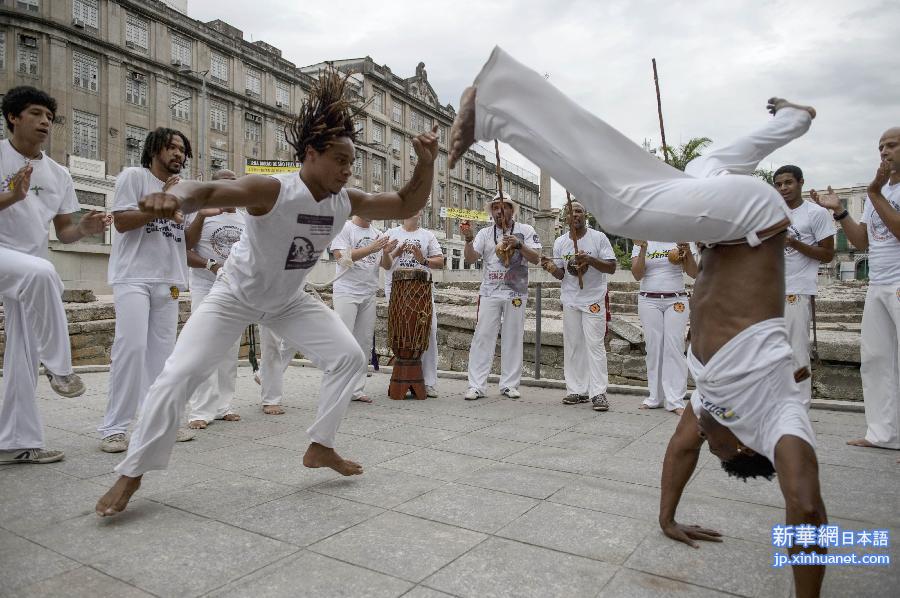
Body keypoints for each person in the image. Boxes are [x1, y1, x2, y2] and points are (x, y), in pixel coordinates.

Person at [448, 47, 827, 596]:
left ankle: (796, 118)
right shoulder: (778, 421)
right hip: (754, 220)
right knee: (624, 208)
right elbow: (807, 505)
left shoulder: (712, 403)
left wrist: (667, 520)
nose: (704, 439)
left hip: (736, 224)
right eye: (717, 446)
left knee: (707, 164)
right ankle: (497, 104)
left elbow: (679, 452)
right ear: (745, 447)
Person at [95, 70, 439, 517]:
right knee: (177, 377)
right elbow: (211, 189)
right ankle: (131, 473)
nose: (347, 169)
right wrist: (176, 195)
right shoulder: (272, 190)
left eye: (351, 162)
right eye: (339, 159)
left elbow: (407, 203)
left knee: (349, 357)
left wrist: (427, 162)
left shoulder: (344, 200)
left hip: (288, 299)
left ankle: (321, 445)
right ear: (310, 154)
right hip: (234, 295)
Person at [0, 86, 108, 465]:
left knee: (22, 354)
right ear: (13, 116)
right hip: (9, 260)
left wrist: (86, 229)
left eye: (49, 116)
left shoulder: (57, 174)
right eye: (35, 113)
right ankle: (61, 369)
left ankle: (15, 442)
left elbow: (65, 231)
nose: (45, 121)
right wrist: (10, 196)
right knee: (45, 272)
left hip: (28, 268)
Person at [98, 127, 195, 453]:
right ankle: (114, 428)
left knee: (165, 356)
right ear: (154, 149)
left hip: (169, 280)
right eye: (171, 147)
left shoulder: (184, 189)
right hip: (134, 277)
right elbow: (123, 222)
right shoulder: (133, 177)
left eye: (181, 149)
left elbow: (187, 241)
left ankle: (161, 422)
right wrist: (163, 202)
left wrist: (201, 216)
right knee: (131, 348)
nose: (177, 154)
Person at [811, 128, 900, 452]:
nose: (884, 152)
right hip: (879, 283)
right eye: (881, 147)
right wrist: (840, 211)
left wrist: (875, 193)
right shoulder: (878, 194)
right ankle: (884, 433)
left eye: (892, 145)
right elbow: (863, 240)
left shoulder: (878, 193)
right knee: (876, 358)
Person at [461, 193, 541, 400]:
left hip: (516, 292)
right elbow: (470, 259)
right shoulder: (485, 233)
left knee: (513, 336)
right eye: (495, 208)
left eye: (503, 207)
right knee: (482, 337)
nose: (499, 211)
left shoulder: (526, 231)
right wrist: (469, 241)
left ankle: (509, 384)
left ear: (511, 210)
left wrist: (519, 245)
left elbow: (536, 258)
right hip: (489, 292)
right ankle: (476, 385)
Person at [540, 201, 616, 411]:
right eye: (571, 212)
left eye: (579, 211)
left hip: (593, 299)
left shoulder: (598, 238)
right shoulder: (561, 242)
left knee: (595, 345)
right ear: (565, 217)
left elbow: (611, 267)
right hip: (571, 299)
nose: (575, 215)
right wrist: (550, 267)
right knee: (573, 345)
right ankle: (576, 390)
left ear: (585, 216)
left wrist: (589, 260)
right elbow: (562, 274)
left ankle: (598, 392)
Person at [184, 168, 244, 429]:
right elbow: (185, 250)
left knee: (229, 350)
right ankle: (200, 409)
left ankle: (223, 406)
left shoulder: (245, 219)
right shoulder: (200, 213)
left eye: (233, 184)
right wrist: (213, 266)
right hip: (205, 288)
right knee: (202, 347)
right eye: (223, 184)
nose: (229, 188)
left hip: (235, 292)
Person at [773, 165, 834, 408]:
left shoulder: (815, 213)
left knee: (797, 352)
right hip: (771, 290)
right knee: (772, 352)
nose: (783, 188)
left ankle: (799, 407)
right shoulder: (772, 213)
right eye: (778, 184)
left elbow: (828, 254)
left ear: (800, 183)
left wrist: (793, 243)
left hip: (797, 289)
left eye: (788, 182)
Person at [330, 214, 396, 403]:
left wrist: (384, 252)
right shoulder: (345, 228)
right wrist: (371, 248)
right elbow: (340, 258)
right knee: (344, 340)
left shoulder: (378, 233)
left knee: (364, 342)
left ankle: (356, 389)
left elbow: (387, 265)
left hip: (368, 292)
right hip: (346, 291)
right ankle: (337, 389)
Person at [381, 209, 445, 396]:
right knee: (403, 331)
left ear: (421, 213)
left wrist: (422, 259)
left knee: (429, 331)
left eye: (417, 208)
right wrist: (393, 252)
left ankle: (429, 381)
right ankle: (404, 376)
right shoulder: (390, 234)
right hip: (397, 291)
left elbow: (440, 261)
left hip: (421, 292)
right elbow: (384, 265)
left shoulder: (428, 235)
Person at [631, 240, 698, 414]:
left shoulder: (681, 238)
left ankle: (675, 400)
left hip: (676, 299)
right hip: (648, 299)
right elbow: (637, 275)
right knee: (653, 348)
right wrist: (643, 249)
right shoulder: (642, 240)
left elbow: (694, 273)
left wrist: (688, 252)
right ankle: (655, 397)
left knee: (674, 347)